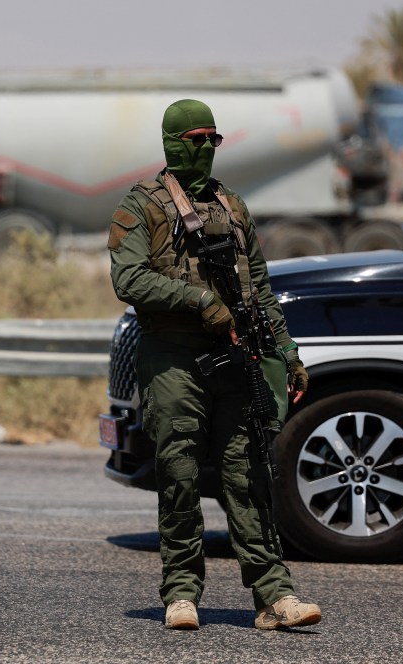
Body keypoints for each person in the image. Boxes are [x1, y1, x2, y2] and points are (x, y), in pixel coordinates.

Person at [107, 99, 321, 631]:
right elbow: (128, 280)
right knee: (178, 471)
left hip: (235, 356)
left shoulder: (233, 206)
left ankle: (275, 595)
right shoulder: (143, 206)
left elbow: (262, 291)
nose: (204, 149)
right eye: (195, 140)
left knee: (248, 474)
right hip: (174, 356)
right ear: (173, 143)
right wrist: (199, 301)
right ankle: (181, 592)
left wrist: (287, 353)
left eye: (212, 140)